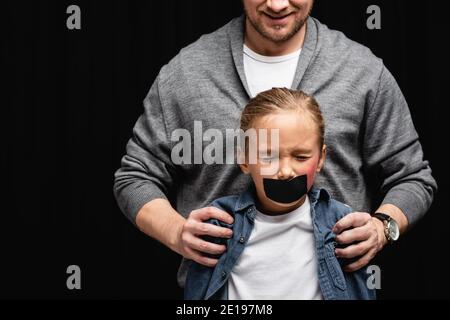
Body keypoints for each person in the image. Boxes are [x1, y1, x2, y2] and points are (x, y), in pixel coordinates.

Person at [113, 0, 437, 289]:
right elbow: (134, 177)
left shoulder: (363, 71)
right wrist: (175, 232)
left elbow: (413, 177)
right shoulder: (185, 73)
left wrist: (383, 227)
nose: (278, 4)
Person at [184, 88, 376, 300]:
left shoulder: (343, 227)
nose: (285, 172)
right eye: (268, 157)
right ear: (245, 160)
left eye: (301, 157)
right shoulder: (218, 226)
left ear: (321, 158)